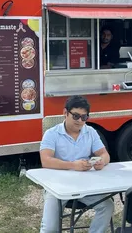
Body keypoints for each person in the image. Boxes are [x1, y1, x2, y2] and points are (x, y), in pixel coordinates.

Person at [39, 95, 114, 233]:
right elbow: (46, 160)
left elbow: (105, 154)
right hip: (57, 185)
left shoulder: (90, 132)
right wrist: (73, 165)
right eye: (75, 116)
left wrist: (101, 162)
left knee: (107, 206)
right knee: (50, 229)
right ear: (65, 113)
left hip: (85, 185)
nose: (80, 121)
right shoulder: (52, 133)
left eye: (84, 117)